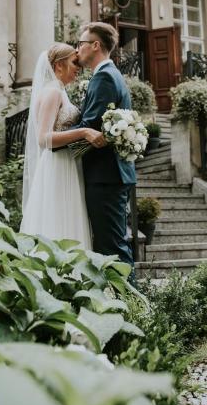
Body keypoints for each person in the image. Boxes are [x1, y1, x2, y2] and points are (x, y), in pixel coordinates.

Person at [20, 43, 104, 245]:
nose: (79, 67)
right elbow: (44, 139)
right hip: (57, 166)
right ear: (59, 65)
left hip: (67, 163)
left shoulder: (60, 92)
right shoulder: (53, 93)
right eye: (74, 62)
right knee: (58, 222)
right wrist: (83, 132)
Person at [75, 21, 136, 267]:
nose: (77, 49)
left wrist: (52, 140)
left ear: (95, 45)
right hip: (111, 174)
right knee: (110, 244)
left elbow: (91, 124)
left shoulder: (104, 78)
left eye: (80, 44)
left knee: (111, 247)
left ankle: (132, 305)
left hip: (105, 174)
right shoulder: (111, 75)